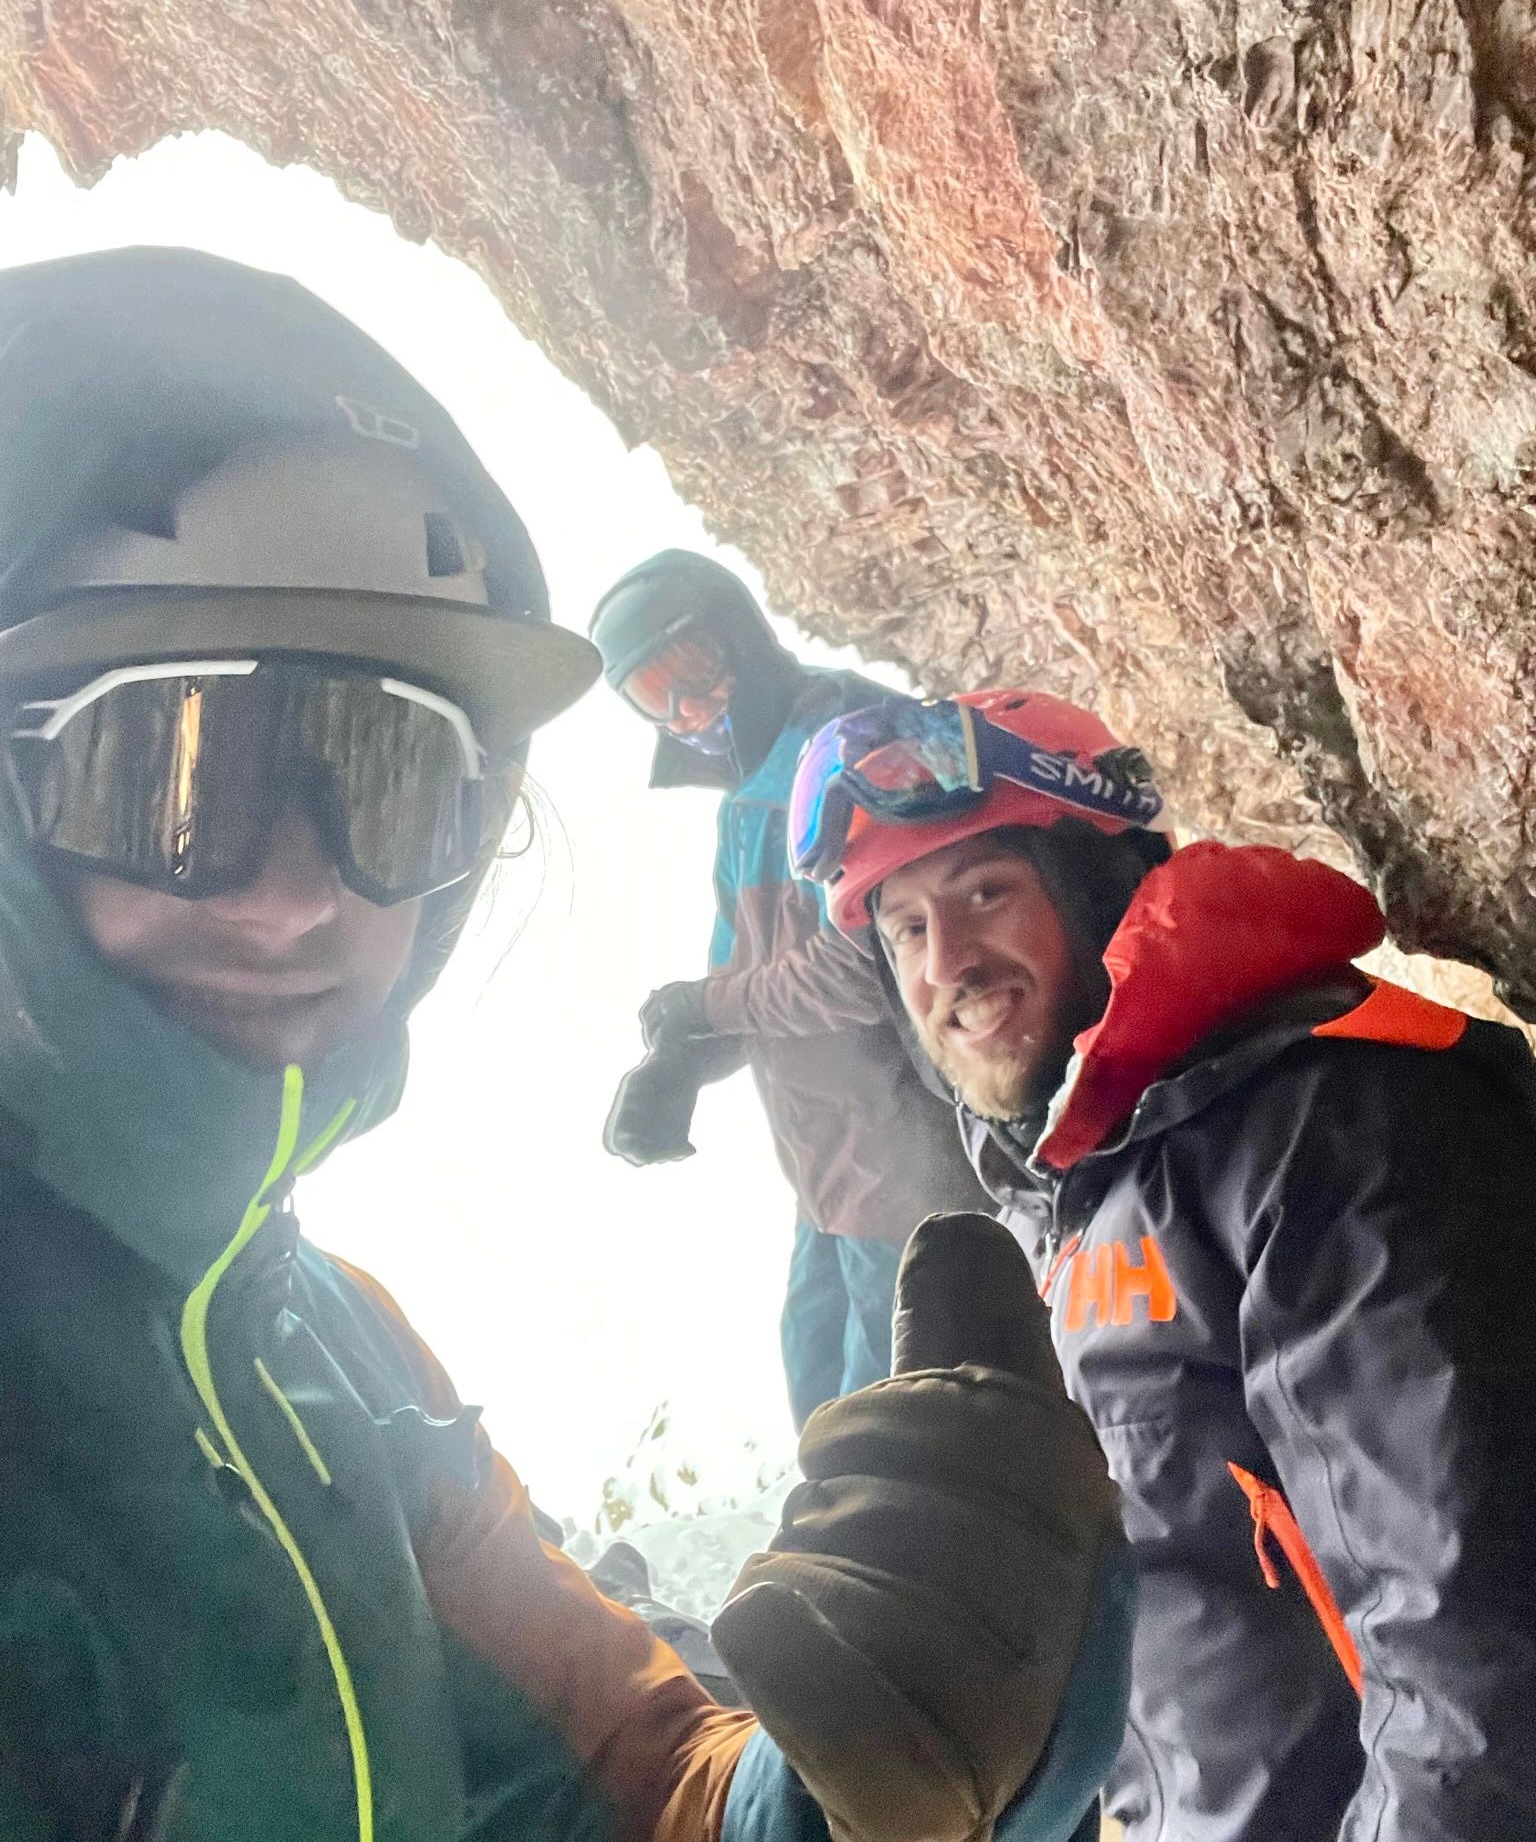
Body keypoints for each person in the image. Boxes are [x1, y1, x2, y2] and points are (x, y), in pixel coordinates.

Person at [0, 250, 1132, 1842]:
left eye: (392, 779)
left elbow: (622, 1764)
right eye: (164, 771)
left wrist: (846, 1777)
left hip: (882, 1183)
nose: (295, 894)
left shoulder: (326, 1345)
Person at [791, 686, 1536, 1841]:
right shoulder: (1070, 1199)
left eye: (988, 892)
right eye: (906, 929)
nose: (950, 964)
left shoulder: (1327, 1127)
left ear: (1097, 889)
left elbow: (1473, 1636)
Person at [590, 554, 988, 1426]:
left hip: (914, 1176)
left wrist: (706, 1010)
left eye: (695, 671)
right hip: (833, 1180)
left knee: (892, 1433)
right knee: (818, 1390)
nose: (689, 710)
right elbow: (740, 983)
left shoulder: (860, 751)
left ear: (743, 637)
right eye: (657, 697)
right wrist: (681, 1064)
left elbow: (862, 971)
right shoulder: (744, 809)